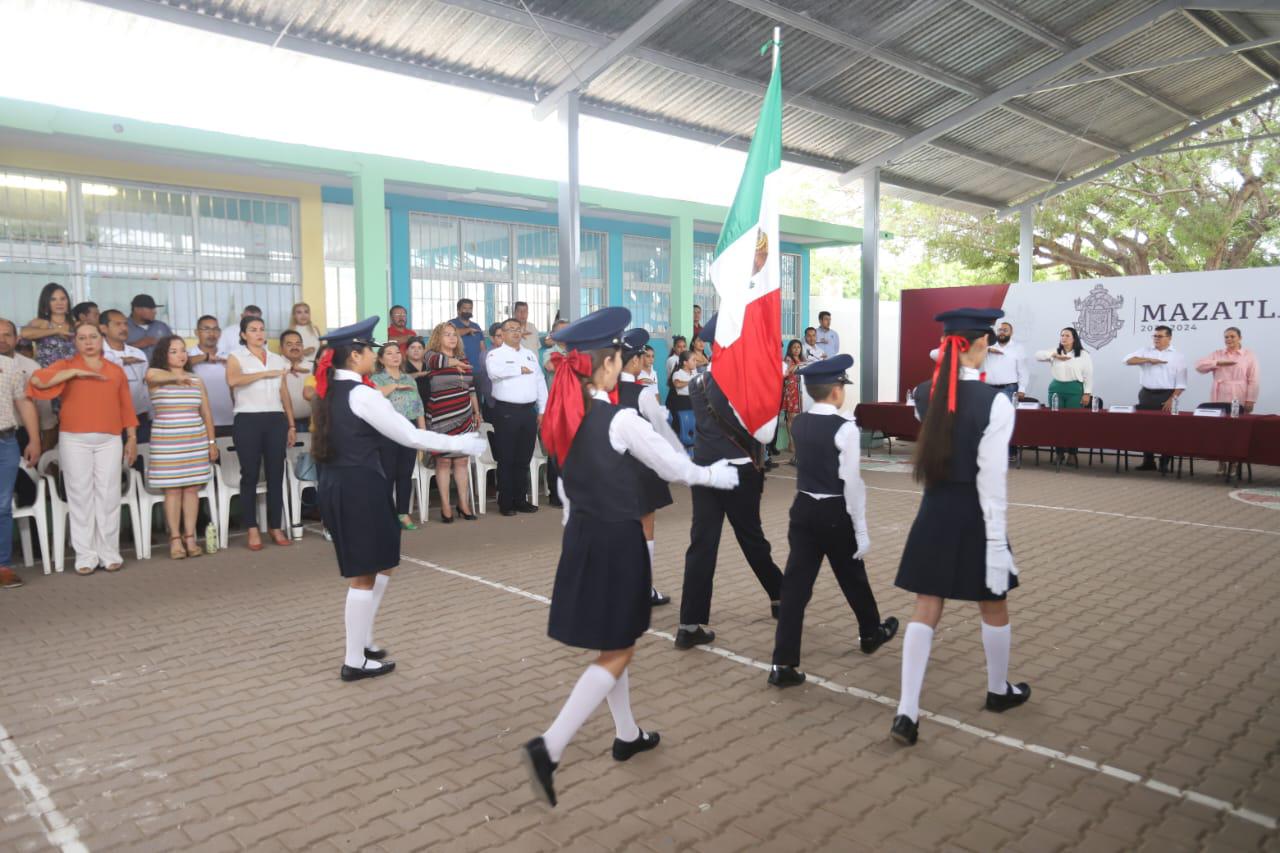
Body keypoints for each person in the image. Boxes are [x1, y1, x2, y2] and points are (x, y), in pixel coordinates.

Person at [521, 307, 738, 807]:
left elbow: (567, 491)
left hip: (582, 537)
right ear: (607, 365)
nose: (624, 362)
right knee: (618, 649)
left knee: (614, 642)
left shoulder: (563, 420)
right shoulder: (619, 419)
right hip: (617, 540)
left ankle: (627, 734)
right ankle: (548, 747)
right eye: (620, 356)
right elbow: (672, 466)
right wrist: (714, 475)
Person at [309, 318, 487, 682]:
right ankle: (354, 660)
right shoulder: (362, 393)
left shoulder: (333, 390)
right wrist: (460, 443)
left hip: (346, 483)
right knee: (363, 574)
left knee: (384, 561)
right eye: (369, 351)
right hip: (358, 486)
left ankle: (364, 640)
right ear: (354, 355)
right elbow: (409, 435)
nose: (374, 357)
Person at [891, 308, 1028, 747]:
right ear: (979, 345)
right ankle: (997, 690)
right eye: (988, 342)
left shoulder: (924, 393)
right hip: (975, 511)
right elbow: (991, 477)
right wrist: (995, 541)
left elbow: (939, 407)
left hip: (935, 506)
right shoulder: (997, 402)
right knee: (994, 601)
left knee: (926, 605)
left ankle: (906, 711)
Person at [770, 355, 898, 687]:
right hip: (835, 512)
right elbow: (852, 483)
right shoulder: (845, 428)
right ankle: (870, 632)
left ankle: (782, 664)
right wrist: (861, 529)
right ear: (837, 391)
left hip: (803, 510)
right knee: (852, 574)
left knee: (796, 588)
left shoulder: (798, 423)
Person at [677, 313, 785, 649]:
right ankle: (781, 596)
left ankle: (689, 624)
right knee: (752, 538)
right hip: (738, 471)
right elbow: (764, 431)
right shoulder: (748, 382)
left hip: (706, 472)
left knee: (702, 545)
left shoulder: (697, 382)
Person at [28, 322, 138, 575]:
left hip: (110, 438)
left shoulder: (115, 370)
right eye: (82, 337)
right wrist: (73, 374)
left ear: (101, 339)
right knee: (80, 496)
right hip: (74, 438)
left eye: (93, 337)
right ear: (74, 342)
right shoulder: (65, 366)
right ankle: (85, 555)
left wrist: (131, 437)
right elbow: (37, 381)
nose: (88, 341)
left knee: (109, 494)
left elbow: (126, 407)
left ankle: (109, 552)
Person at [617, 328, 677, 607]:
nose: (645, 360)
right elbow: (661, 431)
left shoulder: (603, 391)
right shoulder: (641, 393)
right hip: (640, 468)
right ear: (634, 361)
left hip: (611, 467)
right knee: (645, 527)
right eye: (642, 356)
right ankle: (643, 587)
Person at [226, 316, 296, 550]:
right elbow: (233, 380)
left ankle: (275, 526)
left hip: (275, 419)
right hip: (248, 419)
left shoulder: (277, 359)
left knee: (276, 473)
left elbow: (284, 393)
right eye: (253, 330)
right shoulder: (236, 357)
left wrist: (291, 423)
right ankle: (252, 529)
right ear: (244, 335)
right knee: (250, 474)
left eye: (262, 329)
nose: (259, 333)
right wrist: (263, 374)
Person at [145, 335, 218, 560]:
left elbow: (206, 412)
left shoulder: (196, 379)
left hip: (194, 439)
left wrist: (211, 442)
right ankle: (175, 538)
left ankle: (190, 537)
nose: (180, 355)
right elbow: (151, 374)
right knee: (173, 489)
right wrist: (175, 379)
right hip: (167, 441)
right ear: (163, 355)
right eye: (173, 351)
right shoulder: (156, 376)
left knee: (192, 489)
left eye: (182, 350)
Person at [485, 317, 548, 516]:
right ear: (501, 334)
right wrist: (517, 369)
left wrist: (543, 410)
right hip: (506, 412)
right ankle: (506, 503)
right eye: (510, 329)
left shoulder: (530, 354)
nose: (515, 332)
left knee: (524, 458)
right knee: (507, 458)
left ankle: (521, 500)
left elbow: (540, 382)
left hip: (528, 412)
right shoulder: (495, 354)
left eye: (518, 329)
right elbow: (494, 373)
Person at [422, 323, 481, 522]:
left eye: (454, 334)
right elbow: (440, 360)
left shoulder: (463, 359)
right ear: (438, 338)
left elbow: (471, 387)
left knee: (462, 460)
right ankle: (445, 506)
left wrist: (476, 411)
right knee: (444, 461)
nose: (452, 338)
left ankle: (463, 504)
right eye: (447, 335)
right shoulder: (430, 356)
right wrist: (456, 364)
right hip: (441, 416)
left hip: (464, 415)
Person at [0, 322, 42, 589]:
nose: (2, 339)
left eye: (6, 335)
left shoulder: (13, 367)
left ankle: (2, 567)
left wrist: (35, 439)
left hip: (6, 441)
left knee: (2, 506)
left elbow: (24, 403)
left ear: (15, 339)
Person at [371, 340, 427, 530]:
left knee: (405, 473)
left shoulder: (409, 379)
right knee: (387, 473)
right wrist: (394, 387)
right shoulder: (376, 379)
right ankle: (385, 514)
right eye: (389, 353)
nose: (395, 356)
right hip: (386, 430)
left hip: (408, 427)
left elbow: (418, 407)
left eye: (397, 352)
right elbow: (374, 397)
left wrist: (422, 434)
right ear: (381, 359)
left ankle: (403, 513)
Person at [1125, 325, 1188, 473]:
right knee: (1146, 430)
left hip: (1166, 395)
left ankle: (1165, 461)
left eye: (1160, 336)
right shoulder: (1146, 351)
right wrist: (1148, 360)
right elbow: (1127, 360)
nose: (1156, 339)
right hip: (1146, 394)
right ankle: (1148, 461)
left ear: (1169, 338)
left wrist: (1172, 399)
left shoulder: (1177, 356)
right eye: (1154, 336)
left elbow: (1181, 383)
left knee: (1166, 430)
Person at [22, 282, 77, 448]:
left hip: (71, 381)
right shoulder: (41, 323)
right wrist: (56, 331)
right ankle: (46, 468)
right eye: (54, 299)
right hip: (47, 382)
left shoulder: (76, 325)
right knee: (49, 429)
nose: (59, 302)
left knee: (72, 426)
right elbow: (24, 334)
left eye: (63, 298)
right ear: (47, 303)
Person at [1035, 327, 1094, 465]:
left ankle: (1072, 453)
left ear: (1074, 338)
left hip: (1075, 389)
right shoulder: (1055, 351)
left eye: (1067, 335)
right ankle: (1059, 453)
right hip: (1056, 389)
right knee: (1056, 422)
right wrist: (1054, 355)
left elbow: (1088, 375)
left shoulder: (1083, 354)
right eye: (1062, 335)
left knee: (1073, 422)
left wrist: (1087, 393)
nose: (1064, 338)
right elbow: (1038, 355)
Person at [100, 309, 154, 444]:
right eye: (117, 324)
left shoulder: (138, 353)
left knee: (141, 459)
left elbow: (146, 385)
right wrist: (122, 361)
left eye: (125, 324)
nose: (124, 328)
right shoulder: (98, 354)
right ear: (103, 328)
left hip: (140, 417)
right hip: (109, 419)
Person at [188, 316, 235, 436]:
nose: (211, 334)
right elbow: (178, 365)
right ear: (196, 332)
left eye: (215, 329)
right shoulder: (187, 355)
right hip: (197, 422)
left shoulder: (230, 356)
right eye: (206, 329)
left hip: (228, 420)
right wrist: (205, 357)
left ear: (219, 333)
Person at [1196, 326, 1259, 413]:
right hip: (1219, 392)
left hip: (1239, 393)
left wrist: (1251, 400)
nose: (1229, 339)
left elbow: (1253, 380)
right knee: (1219, 420)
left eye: (1232, 336)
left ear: (1240, 338)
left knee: (1237, 420)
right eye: (1226, 337)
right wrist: (1218, 363)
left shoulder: (1249, 355)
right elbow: (1199, 367)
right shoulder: (1217, 354)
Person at [280, 331, 314, 432]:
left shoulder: (312, 366)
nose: (294, 347)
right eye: (289, 344)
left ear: (303, 346)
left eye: (298, 344)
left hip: (310, 422)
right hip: (283, 423)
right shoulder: (276, 366)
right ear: (281, 348)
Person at [125, 294, 173, 358]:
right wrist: (137, 345)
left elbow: (175, 346)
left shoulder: (162, 327)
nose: (155, 312)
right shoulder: (122, 327)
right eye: (151, 309)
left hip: (159, 367)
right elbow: (113, 351)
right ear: (137, 309)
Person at [667, 350, 696, 450]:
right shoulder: (678, 373)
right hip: (682, 403)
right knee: (681, 428)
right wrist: (691, 381)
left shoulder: (694, 373)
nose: (695, 362)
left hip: (692, 402)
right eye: (693, 360)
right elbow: (677, 384)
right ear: (685, 362)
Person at [782, 339, 804, 441]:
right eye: (794, 347)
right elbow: (785, 373)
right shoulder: (788, 359)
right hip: (792, 390)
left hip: (801, 390)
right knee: (791, 416)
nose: (796, 349)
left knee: (800, 416)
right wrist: (796, 365)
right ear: (790, 349)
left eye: (798, 347)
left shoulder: (803, 359)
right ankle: (791, 442)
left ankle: (798, 441)